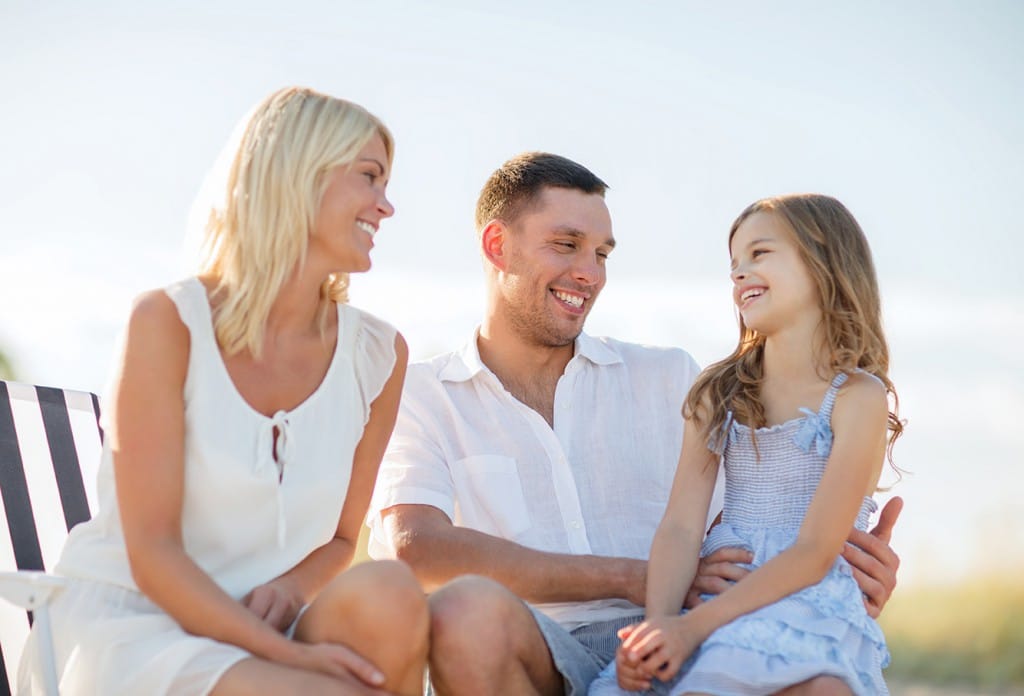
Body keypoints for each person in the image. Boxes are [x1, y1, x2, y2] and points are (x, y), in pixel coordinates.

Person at [367, 152, 903, 696]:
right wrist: (633, 578)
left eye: (602, 253)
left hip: (688, 639)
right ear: (497, 245)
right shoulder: (421, 392)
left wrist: (843, 570)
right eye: (566, 244)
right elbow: (417, 546)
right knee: (464, 610)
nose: (590, 272)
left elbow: (762, 523)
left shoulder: (672, 377)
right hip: (539, 650)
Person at [18, 87, 428, 696]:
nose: (386, 205)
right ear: (298, 175)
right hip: (139, 629)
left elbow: (345, 540)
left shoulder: (378, 356)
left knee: (392, 593)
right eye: (369, 177)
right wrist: (285, 657)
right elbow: (152, 552)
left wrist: (291, 591)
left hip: (269, 627)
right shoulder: (168, 322)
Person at [589, 194, 900, 696]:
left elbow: (816, 550)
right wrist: (660, 630)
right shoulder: (720, 392)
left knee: (824, 689)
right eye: (733, 264)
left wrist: (693, 627)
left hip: (808, 603)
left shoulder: (858, 397)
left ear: (824, 262)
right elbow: (681, 527)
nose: (738, 273)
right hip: (721, 600)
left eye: (759, 254)